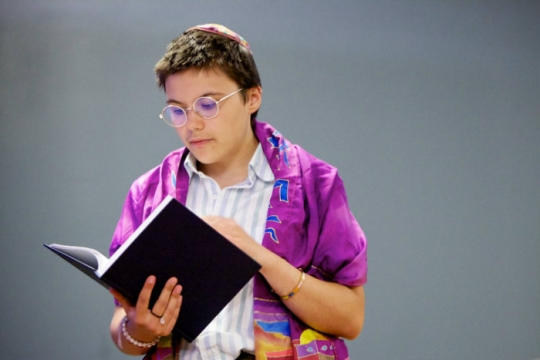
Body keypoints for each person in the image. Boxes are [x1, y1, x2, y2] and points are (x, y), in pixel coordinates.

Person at [108, 24, 367, 360]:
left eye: (207, 105)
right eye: (177, 109)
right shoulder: (150, 191)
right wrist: (138, 330)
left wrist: (258, 257)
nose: (192, 124)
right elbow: (121, 323)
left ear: (252, 97)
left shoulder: (316, 185)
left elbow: (351, 319)